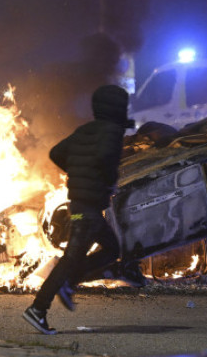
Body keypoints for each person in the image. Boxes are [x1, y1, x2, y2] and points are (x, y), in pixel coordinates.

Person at [22, 84, 143, 334]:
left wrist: (76, 172)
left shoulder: (86, 129)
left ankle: (69, 282)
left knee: (111, 249)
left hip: (79, 206)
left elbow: (57, 153)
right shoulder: (112, 132)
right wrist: (106, 180)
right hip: (85, 210)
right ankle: (38, 308)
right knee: (71, 259)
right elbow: (106, 158)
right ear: (118, 107)